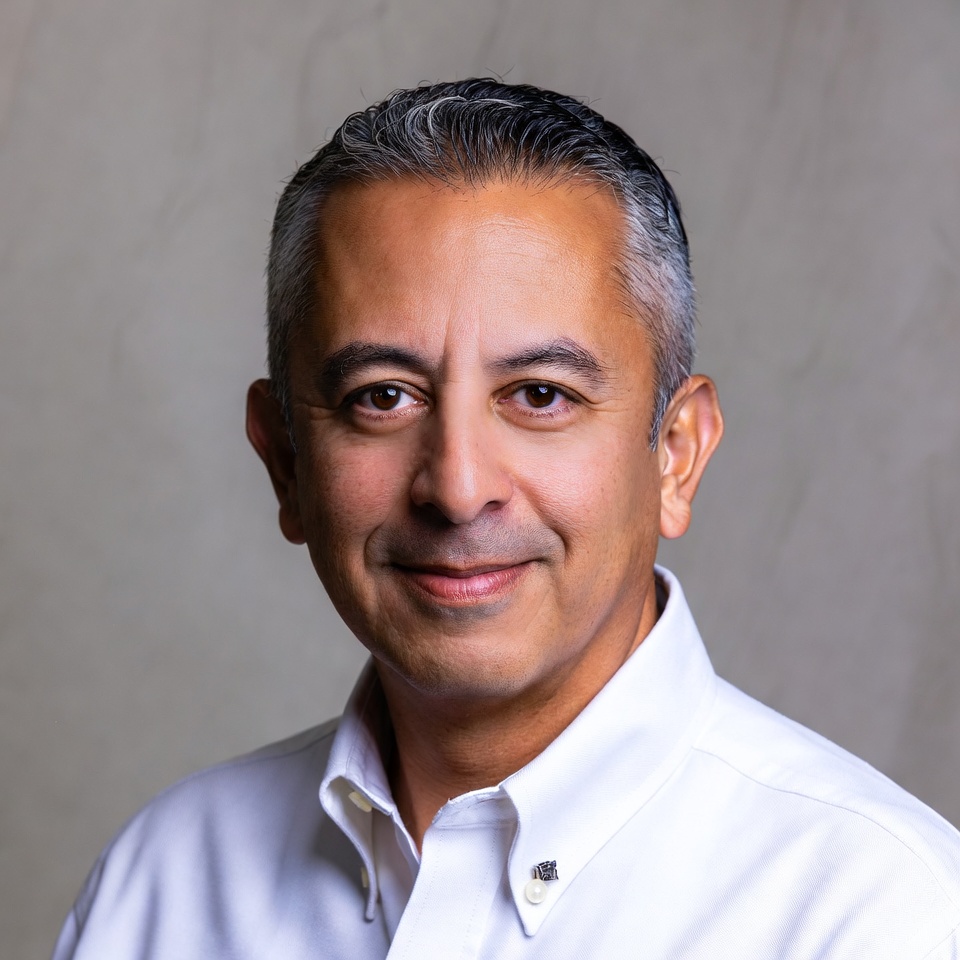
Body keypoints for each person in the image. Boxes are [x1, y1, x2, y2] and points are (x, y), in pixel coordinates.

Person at [53, 79, 960, 959]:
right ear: (285, 460)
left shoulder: (883, 920)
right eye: (383, 396)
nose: (457, 488)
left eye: (540, 394)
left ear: (676, 454)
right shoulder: (159, 889)